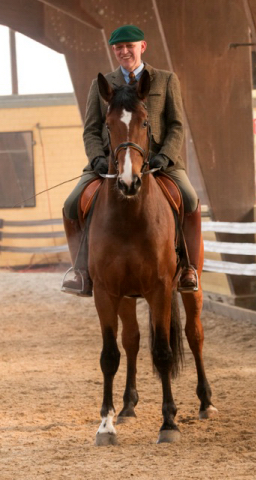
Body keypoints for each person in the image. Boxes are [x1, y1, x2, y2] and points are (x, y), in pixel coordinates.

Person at [62, 24, 201, 297]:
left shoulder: (165, 80)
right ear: (114, 50)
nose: (125, 51)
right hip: (109, 165)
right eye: (119, 48)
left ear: (142, 47)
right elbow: (91, 129)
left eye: (130, 46)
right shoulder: (101, 84)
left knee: (190, 201)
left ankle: (188, 268)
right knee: (70, 205)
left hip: (161, 164)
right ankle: (80, 271)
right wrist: (98, 158)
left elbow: (176, 125)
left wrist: (166, 155)